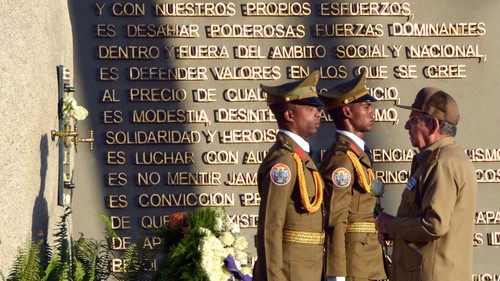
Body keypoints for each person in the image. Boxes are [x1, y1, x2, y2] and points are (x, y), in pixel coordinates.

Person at [375, 87, 477, 281]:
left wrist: (392, 225)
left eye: (413, 119)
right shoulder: (442, 159)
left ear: (434, 125)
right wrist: (395, 230)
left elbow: (434, 224)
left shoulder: (442, 163)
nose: (406, 125)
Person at [253, 70, 326, 281]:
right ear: (289, 115)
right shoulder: (284, 161)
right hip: (290, 273)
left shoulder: (301, 157)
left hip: (308, 271)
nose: (318, 113)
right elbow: (270, 225)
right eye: (310, 108)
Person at [317, 72, 387, 281]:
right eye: (366, 107)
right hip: (354, 264)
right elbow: (336, 218)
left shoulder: (358, 153)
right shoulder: (341, 159)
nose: (372, 113)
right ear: (347, 111)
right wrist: (337, 274)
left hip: (369, 259)